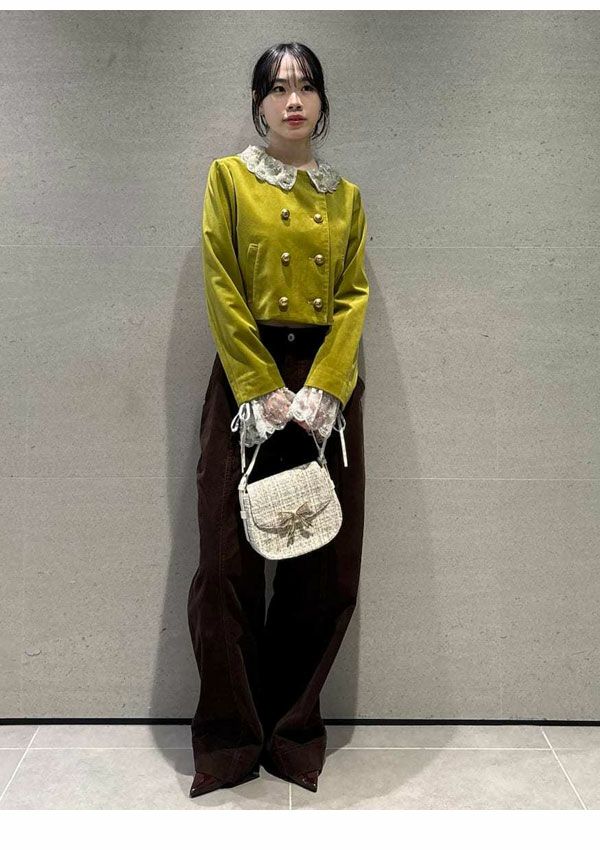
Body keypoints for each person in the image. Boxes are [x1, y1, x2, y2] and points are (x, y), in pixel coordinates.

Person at [187, 41, 369, 798]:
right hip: (246, 379)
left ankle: (293, 733)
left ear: (322, 102)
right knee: (226, 565)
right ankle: (230, 738)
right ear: (258, 103)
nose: (293, 99)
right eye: (277, 87)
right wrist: (260, 387)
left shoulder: (346, 197)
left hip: (326, 384)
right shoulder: (228, 180)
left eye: (306, 86)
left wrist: (324, 390)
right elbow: (220, 279)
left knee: (324, 564)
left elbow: (354, 296)